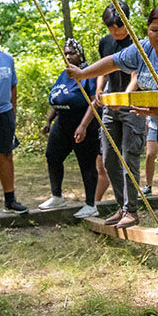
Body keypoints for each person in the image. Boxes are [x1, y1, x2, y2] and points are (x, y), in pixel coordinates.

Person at [68, 7, 158, 234]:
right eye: (154, 29)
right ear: (147, 30)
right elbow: (113, 62)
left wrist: (155, 113)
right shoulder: (142, 49)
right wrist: (83, 73)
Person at [79, 2, 145, 227]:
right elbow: (104, 70)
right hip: (109, 106)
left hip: (131, 105)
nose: (116, 31)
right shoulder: (106, 43)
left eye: (119, 27)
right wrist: (99, 90)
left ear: (127, 21)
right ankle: (121, 206)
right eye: (111, 28)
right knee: (108, 159)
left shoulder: (138, 43)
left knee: (129, 157)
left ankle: (132, 210)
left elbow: (136, 75)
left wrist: (124, 98)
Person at [40, 38, 100, 218]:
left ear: (80, 54)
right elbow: (58, 97)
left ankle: (91, 204)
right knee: (52, 156)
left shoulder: (88, 73)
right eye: (65, 53)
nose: (67, 56)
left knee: (86, 163)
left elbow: (94, 101)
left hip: (83, 123)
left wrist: (83, 125)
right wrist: (48, 120)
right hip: (62, 122)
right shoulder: (64, 74)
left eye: (71, 53)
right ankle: (56, 196)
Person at [0, 22, 27, 213]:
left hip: (4, 114)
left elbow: (13, 86)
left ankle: (10, 200)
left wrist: (13, 112)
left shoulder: (7, 60)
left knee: (6, 156)